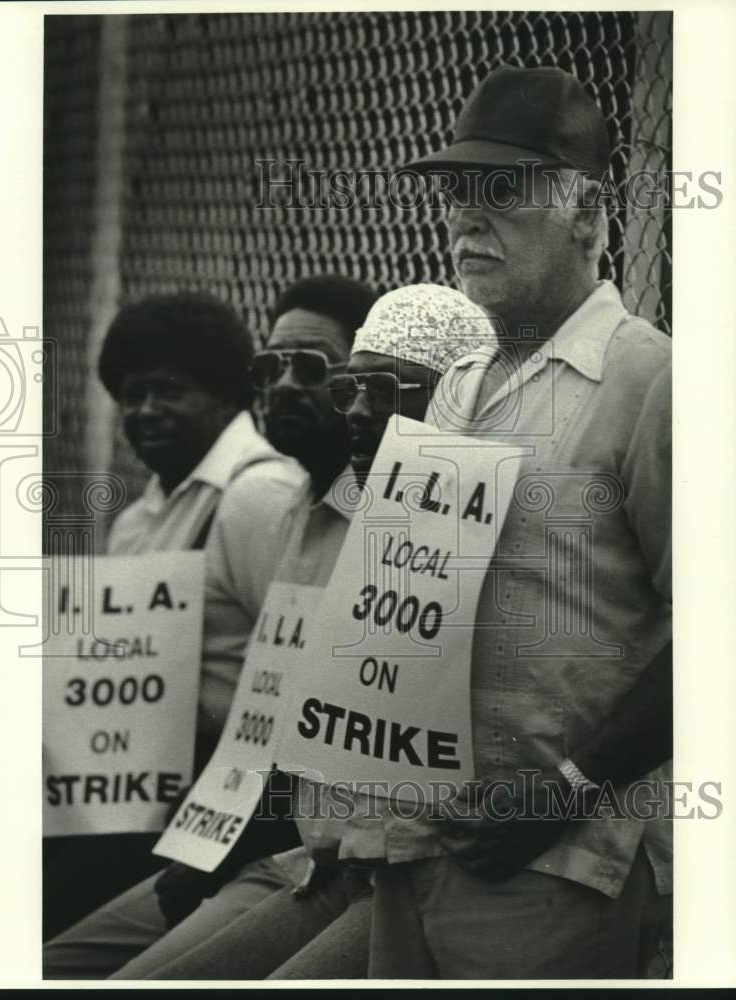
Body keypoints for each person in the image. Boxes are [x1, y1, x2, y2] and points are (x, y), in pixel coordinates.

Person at [361, 64, 673, 979]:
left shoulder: (650, 381)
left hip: (552, 865)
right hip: (416, 841)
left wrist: (567, 794)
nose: (464, 216)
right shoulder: (455, 387)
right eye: (455, 192)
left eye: (501, 190)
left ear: (587, 212)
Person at [126, 284, 495, 980]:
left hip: (397, 865)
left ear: (455, 400)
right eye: (349, 388)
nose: (354, 410)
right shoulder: (302, 510)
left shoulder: (463, 534)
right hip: (319, 851)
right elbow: (282, 715)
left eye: (381, 390)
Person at [43, 275, 378, 978]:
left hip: (254, 815)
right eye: (131, 395)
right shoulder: (191, 511)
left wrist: (220, 842)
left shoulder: (260, 496)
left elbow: (307, 700)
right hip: (192, 795)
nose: (146, 411)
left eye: (169, 390)